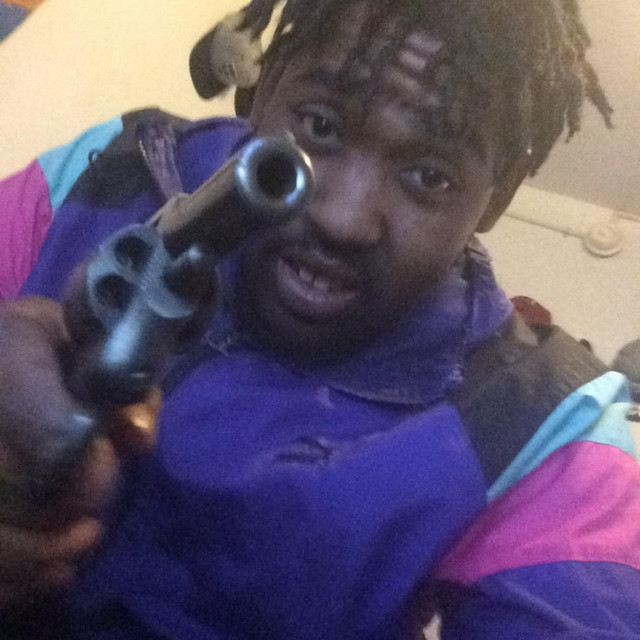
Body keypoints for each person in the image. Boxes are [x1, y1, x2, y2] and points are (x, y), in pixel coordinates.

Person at [0, 1, 639, 638]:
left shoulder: (548, 421)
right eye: (321, 125)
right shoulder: (105, 170)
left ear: (498, 195)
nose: (343, 219)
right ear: (265, 87)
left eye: (429, 176)